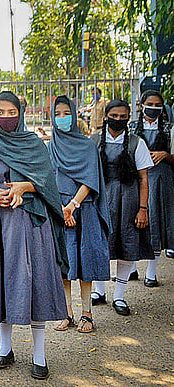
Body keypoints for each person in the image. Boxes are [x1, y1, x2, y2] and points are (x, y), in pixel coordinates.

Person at [0, 91, 67, 380]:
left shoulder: (34, 143)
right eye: (0, 112)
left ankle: (39, 353)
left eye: (11, 112)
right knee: (0, 279)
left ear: (20, 113)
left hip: (31, 221)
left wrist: (23, 187)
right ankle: (5, 347)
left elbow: (48, 182)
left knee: (35, 280)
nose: (6, 118)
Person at [48, 96, 109, 335]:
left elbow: (91, 178)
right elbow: (46, 180)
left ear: (74, 115)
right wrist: (61, 209)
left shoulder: (87, 146)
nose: (62, 118)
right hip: (59, 211)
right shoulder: (50, 147)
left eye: (66, 113)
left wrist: (72, 206)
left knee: (85, 262)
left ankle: (86, 313)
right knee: (64, 263)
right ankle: (66, 312)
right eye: (57, 114)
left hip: (84, 209)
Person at [89, 100, 153, 316]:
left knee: (127, 244)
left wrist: (143, 209)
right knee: (99, 244)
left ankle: (119, 296)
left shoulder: (136, 143)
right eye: (114, 116)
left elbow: (144, 178)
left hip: (128, 200)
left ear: (128, 118)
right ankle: (99, 291)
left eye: (123, 116)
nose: (118, 120)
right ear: (106, 117)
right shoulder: (94, 141)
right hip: (100, 200)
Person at [131, 90, 174, 287]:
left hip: (160, 180)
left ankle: (151, 271)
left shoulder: (169, 128)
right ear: (142, 105)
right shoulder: (131, 127)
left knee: (155, 224)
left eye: (158, 105)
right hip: (136, 179)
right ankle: (131, 268)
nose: (153, 108)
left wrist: (165, 155)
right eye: (150, 104)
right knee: (133, 221)